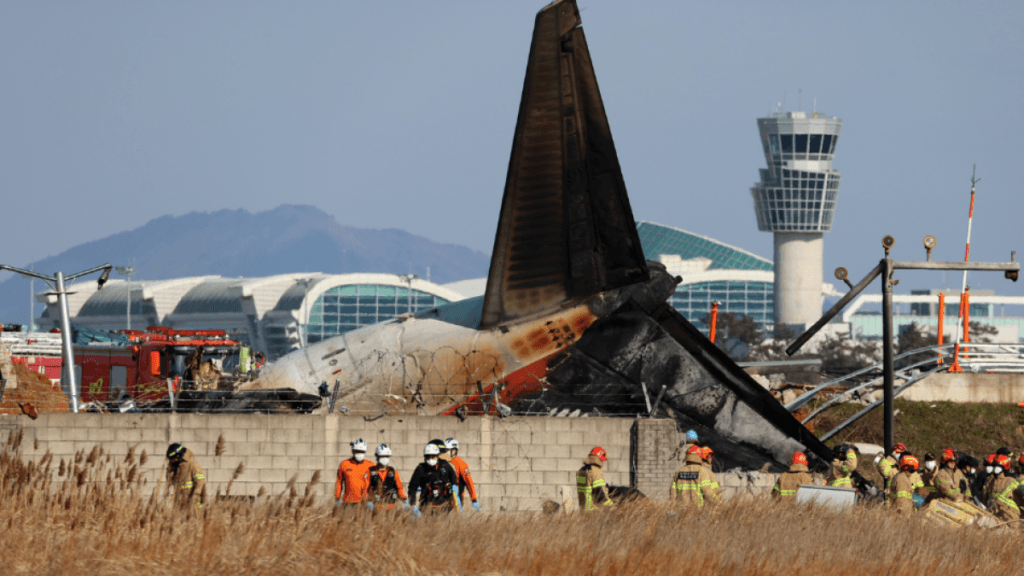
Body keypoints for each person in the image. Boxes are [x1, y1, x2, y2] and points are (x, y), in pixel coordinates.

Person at [407, 442, 460, 515]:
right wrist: (412, 502)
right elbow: (412, 487)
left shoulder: (445, 465)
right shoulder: (420, 469)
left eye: (433, 456)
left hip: (444, 506)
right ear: (425, 457)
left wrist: (454, 486)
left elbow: (453, 476)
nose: (431, 459)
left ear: (437, 456)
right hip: (427, 507)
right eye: (428, 456)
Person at [368, 443, 407, 510]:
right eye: (382, 456)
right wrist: (367, 501)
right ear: (377, 456)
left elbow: (399, 489)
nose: (385, 458)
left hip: (391, 508)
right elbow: (365, 488)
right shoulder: (370, 471)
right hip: (375, 507)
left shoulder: (394, 472)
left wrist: (405, 500)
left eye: (387, 456)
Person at [444, 438, 480, 511]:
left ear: (454, 450)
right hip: (442, 498)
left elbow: (469, 482)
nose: (445, 453)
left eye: (447, 450)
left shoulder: (461, 465)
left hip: (456, 499)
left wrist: (474, 500)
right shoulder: (442, 462)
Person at [166, 443, 206, 508]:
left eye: (174, 459)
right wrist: (170, 470)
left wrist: (195, 496)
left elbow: (200, 482)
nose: (172, 461)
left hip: (192, 503)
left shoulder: (193, 465)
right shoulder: (177, 467)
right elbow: (170, 482)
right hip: (179, 503)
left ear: (179, 456)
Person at [335, 438, 373, 506]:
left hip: (365, 502)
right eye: (357, 451)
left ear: (365, 452)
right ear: (353, 451)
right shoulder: (344, 464)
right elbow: (339, 482)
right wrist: (337, 498)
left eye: (362, 451)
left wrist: (373, 500)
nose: (359, 453)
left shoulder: (370, 465)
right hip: (348, 502)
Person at [577, 446, 615, 512]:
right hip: (595, 511)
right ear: (598, 459)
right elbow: (600, 493)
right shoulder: (595, 471)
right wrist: (612, 507)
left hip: (583, 510)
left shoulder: (581, 471)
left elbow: (588, 487)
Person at [989, 454, 1021, 522]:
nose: (995, 468)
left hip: (1008, 514)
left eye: (998, 466)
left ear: (1004, 467)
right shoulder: (992, 481)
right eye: (994, 466)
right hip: (993, 512)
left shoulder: (1010, 480)